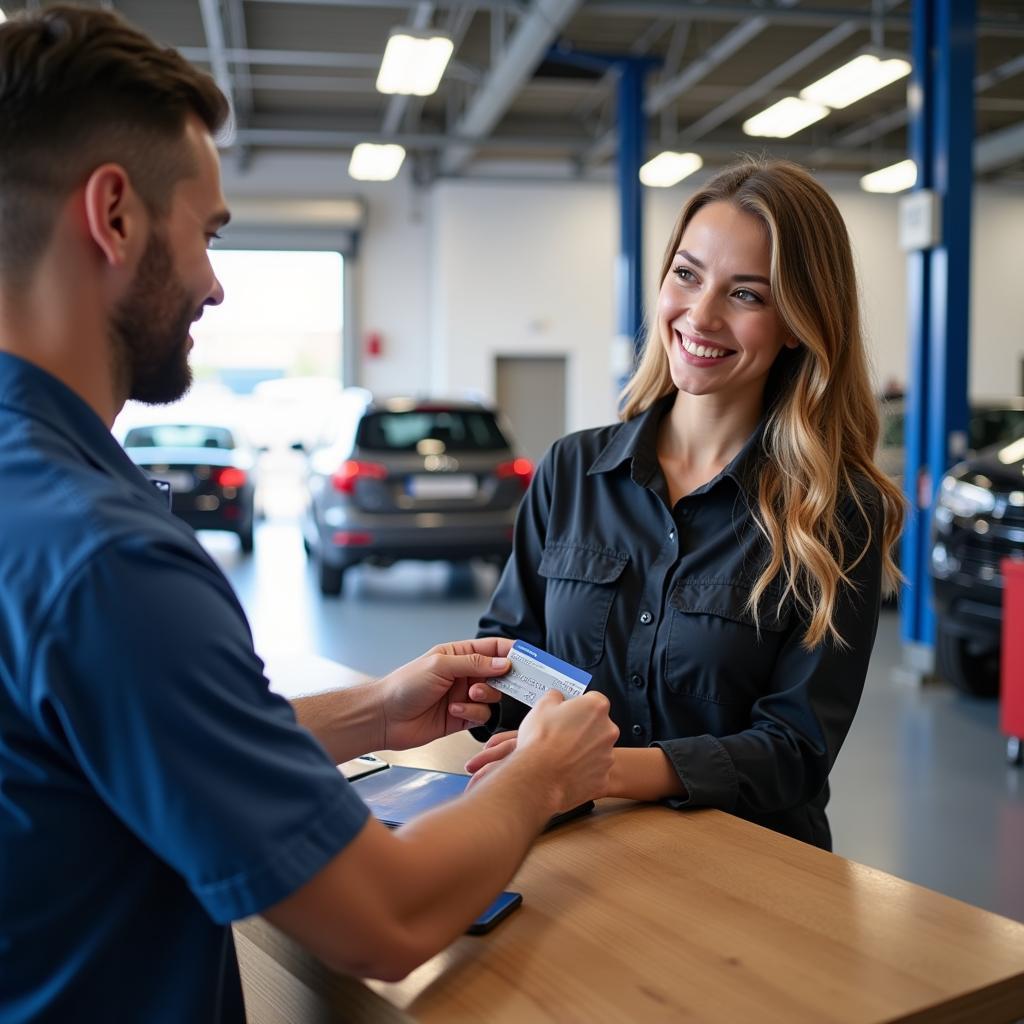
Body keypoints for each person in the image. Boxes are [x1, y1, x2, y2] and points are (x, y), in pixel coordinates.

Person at [0, 7, 619, 1022]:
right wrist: (542, 776)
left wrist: (377, 710)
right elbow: (386, 914)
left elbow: (129, 740)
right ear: (113, 216)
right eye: (206, 232)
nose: (212, 282)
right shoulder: (106, 558)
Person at [467, 159, 905, 851]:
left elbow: (796, 750)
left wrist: (603, 770)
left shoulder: (834, 510)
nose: (700, 315)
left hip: (745, 871)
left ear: (798, 321)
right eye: (687, 274)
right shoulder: (572, 470)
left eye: (748, 295)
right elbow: (515, 664)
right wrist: (475, 696)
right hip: (576, 851)